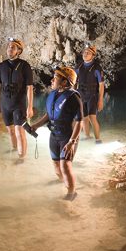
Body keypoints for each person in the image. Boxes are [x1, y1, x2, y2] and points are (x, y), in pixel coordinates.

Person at [26, 67, 84, 201]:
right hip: (54, 136)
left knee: (65, 165)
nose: (52, 80)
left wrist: (72, 142)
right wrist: (36, 125)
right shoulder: (53, 95)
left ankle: (71, 193)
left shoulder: (74, 97)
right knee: (56, 167)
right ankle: (62, 181)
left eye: (56, 77)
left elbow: (79, 122)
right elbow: (49, 115)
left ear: (64, 82)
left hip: (68, 137)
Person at [0, 38, 34, 162]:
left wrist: (30, 106)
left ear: (19, 51)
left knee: (19, 131)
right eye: (9, 46)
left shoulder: (24, 66)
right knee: (10, 130)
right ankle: (14, 150)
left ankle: (21, 158)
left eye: (13, 47)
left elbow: (29, 87)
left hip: (18, 104)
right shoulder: (2, 66)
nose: (9, 49)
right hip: (5, 103)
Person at [76, 44, 105, 144]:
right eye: (84, 52)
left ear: (93, 56)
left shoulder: (96, 67)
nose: (85, 54)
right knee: (84, 118)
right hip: (81, 95)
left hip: (92, 96)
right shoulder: (79, 67)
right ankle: (87, 136)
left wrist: (100, 100)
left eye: (88, 53)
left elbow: (101, 84)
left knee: (92, 117)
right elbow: (74, 82)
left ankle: (98, 139)